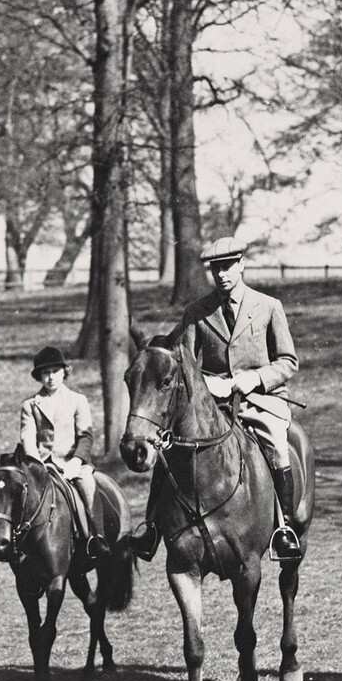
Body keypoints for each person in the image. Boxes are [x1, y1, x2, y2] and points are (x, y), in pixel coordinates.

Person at [129, 236, 302, 563]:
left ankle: (284, 528)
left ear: (242, 265)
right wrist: (208, 383)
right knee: (169, 449)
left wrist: (252, 379)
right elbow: (185, 361)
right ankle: (151, 528)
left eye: (228, 266)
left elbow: (288, 362)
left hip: (260, 400)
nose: (222, 274)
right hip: (213, 402)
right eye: (216, 268)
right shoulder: (197, 312)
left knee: (278, 446)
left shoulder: (268, 307)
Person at [0, 346, 110, 566]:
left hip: (72, 462)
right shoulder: (30, 405)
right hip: (40, 463)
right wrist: (35, 464)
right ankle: (10, 543)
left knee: (87, 484)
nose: (50, 377)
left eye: (55, 371)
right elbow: (27, 437)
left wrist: (77, 460)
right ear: (39, 376)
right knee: (17, 491)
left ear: (64, 372)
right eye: (45, 373)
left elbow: (86, 436)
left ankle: (95, 537)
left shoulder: (78, 400)